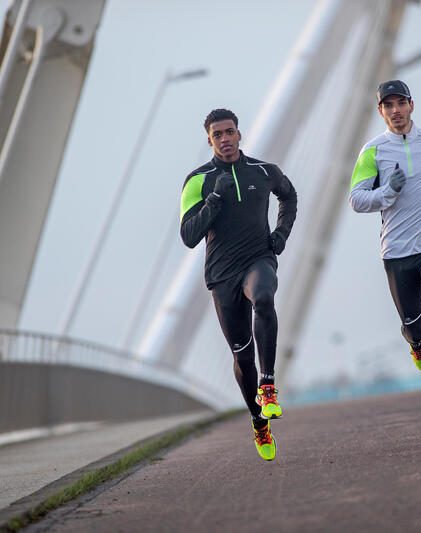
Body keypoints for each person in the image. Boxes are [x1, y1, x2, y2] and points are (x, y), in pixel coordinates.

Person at [180, 108, 297, 459]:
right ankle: (259, 422)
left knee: (264, 298)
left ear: (239, 134)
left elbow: (289, 196)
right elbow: (188, 236)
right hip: (221, 275)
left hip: (258, 260)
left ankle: (269, 384)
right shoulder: (198, 180)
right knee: (242, 355)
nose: (225, 138)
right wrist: (214, 199)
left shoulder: (264, 171)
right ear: (210, 140)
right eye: (218, 134)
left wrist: (281, 234)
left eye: (230, 131)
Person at [348, 80, 421, 416]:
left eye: (401, 103)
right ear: (380, 112)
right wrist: (387, 191)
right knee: (414, 324)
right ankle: (416, 343)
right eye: (388, 106)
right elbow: (356, 200)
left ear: (412, 105)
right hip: (398, 251)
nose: (396, 111)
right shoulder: (372, 151)